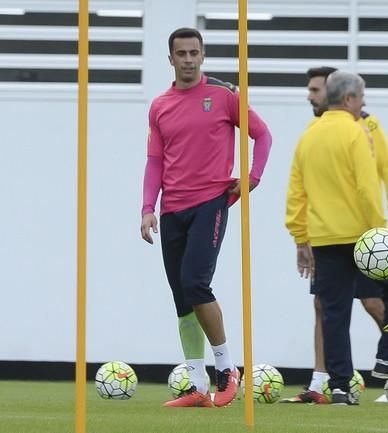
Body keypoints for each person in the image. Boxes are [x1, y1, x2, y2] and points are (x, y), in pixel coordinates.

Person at [140, 27, 272, 408]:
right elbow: (155, 161)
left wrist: (252, 178)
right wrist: (148, 207)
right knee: (182, 298)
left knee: (196, 284)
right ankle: (197, 386)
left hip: (211, 201)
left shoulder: (224, 96)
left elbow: (262, 136)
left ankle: (227, 371)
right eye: (180, 53)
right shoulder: (160, 105)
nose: (188, 59)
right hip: (172, 209)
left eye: (193, 52)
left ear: (202, 55)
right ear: (170, 59)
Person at [281, 66, 388, 404]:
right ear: (350, 98)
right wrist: (380, 229)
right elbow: (367, 187)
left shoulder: (308, 134)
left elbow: (296, 191)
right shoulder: (357, 133)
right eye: (361, 98)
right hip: (360, 233)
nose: (362, 104)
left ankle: (340, 387)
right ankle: (387, 356)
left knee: (334, 313)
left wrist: (299, 234)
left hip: (324, 238)